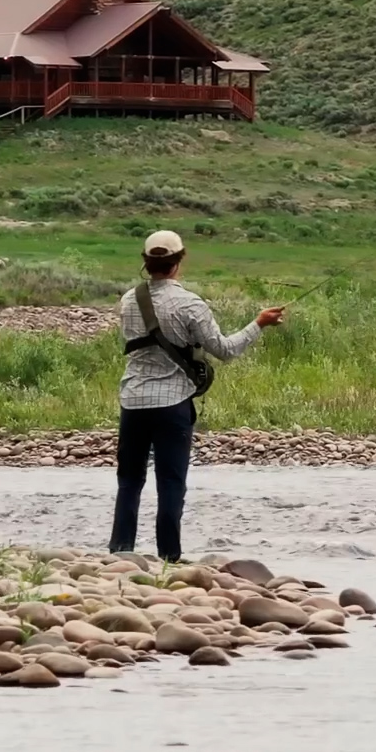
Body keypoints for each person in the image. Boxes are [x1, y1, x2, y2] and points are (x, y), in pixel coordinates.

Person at [110, 230, 282, 562]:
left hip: (132, 401)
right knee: (171, 482)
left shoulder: (129, 299)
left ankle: (119, 554)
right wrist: (259, 323)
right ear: (178, 261)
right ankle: (169, 557)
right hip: (172, 404)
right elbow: (226, 350)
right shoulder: (190, 303)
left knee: (129, 481)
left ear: (146, 263)